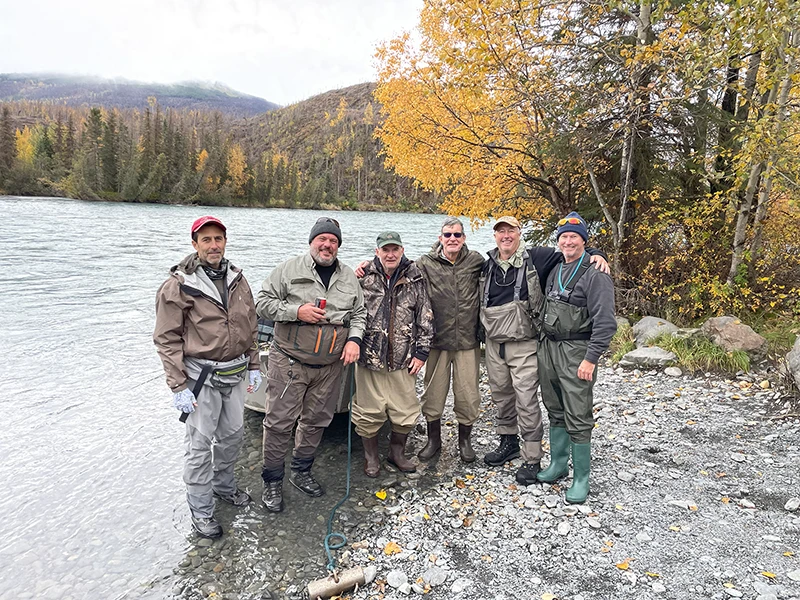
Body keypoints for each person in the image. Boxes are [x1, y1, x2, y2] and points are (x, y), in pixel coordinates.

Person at [480, 216, 608, 487]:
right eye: (500, 231)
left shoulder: (539, 258)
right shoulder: (486, 264)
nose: (505, 236)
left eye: (510, 231)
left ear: (519, 233)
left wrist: (598, 254)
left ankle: (537, 459)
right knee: (509, 398)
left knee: (530, 400)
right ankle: (514, 446)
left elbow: (578, 257)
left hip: (534, 343)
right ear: (494, 236)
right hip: (514, 345)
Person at [154, 215, 261, 538]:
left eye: (218, 239)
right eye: (206, 240)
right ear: (194, 244)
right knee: (199, 446)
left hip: (235, 373)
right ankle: (201, 510)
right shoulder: (177, 285)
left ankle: (223, 486)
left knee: (233, 436)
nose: (213, 245)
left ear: (225, 242)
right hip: (200, 378)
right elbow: (166, 338)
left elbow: (250, 326)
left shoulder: (238, 278)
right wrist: (178, 385)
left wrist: (254, 364)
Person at [256, 217, 366, 512]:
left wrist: (354, 340)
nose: (327, 245)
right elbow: (262, 303)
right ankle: (272, 480)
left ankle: (301, 471)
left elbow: (359, 314)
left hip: (330, 367)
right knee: (279, 424)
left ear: (338, 246)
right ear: (311, 242)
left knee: (316, 422)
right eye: (322, 239)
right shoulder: (289, 269)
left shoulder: (348, 277)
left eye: (333, 241)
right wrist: (296, 311)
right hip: (289, 363)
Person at [536, 212, 616, 503]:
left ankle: (582, 477)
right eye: (564, 237)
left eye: (574, 237)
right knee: (554, 406)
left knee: (578, 413)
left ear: (584, 240)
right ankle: (558, 465)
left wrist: (591, 359)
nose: (568, 241)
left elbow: (606, 322)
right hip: (548, 348)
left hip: (576, 351)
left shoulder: (597, 275)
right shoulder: (554, 264)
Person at [354, 231, 434, 478]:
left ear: (402, 250)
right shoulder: (363, 276)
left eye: (395, 249)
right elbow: (350, 312)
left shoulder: (416, 277)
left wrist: (421, 352)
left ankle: (396, 453)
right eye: (385, 250)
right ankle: (370, 456)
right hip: (369, 357)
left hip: (403, 357)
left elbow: (425, 316)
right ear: (377, 251)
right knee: (368, 411)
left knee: (406, 410)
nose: (390, 254)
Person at [415, 217, 485, 462]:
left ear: (464, 238)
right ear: (440, 238)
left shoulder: (476, 261)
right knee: (432, 394)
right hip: (436, 340)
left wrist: (592, 253)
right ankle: (433, 440)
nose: (452, 239)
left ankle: (464, 441)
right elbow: (397, 268)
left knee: (468, 395)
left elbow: (509, 260)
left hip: (468, 341)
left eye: (457, 234)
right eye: (448, 235)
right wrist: (364, 266)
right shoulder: (425, 263)